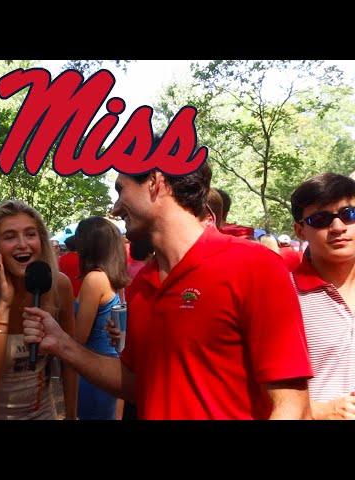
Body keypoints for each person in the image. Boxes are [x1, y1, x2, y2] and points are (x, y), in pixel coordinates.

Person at [23, 160, 313, 419]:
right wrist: (62, 343)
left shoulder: (253, 264)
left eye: (121, 189)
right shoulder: (143, 286)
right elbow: (137, 383)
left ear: (155, 182)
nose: (115, 207)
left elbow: (292, 406)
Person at [0, 200, 77, 419]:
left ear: (41, 241)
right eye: (10, 236)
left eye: (30, 234)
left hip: (41, 412)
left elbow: (69, 361)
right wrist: (3, 307)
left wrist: (71, 414)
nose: (22, 244)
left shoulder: (59, 286)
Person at [290, 173, 355, 419]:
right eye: (321, 219)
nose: (338, 227)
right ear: (300, 230)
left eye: (349, 214)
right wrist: (317, 411)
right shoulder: (282, 295)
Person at [74, 217, 129, 420]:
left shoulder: (94, 279)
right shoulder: (112, 278)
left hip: (95, 370)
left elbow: (79, 338)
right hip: (112, 368)